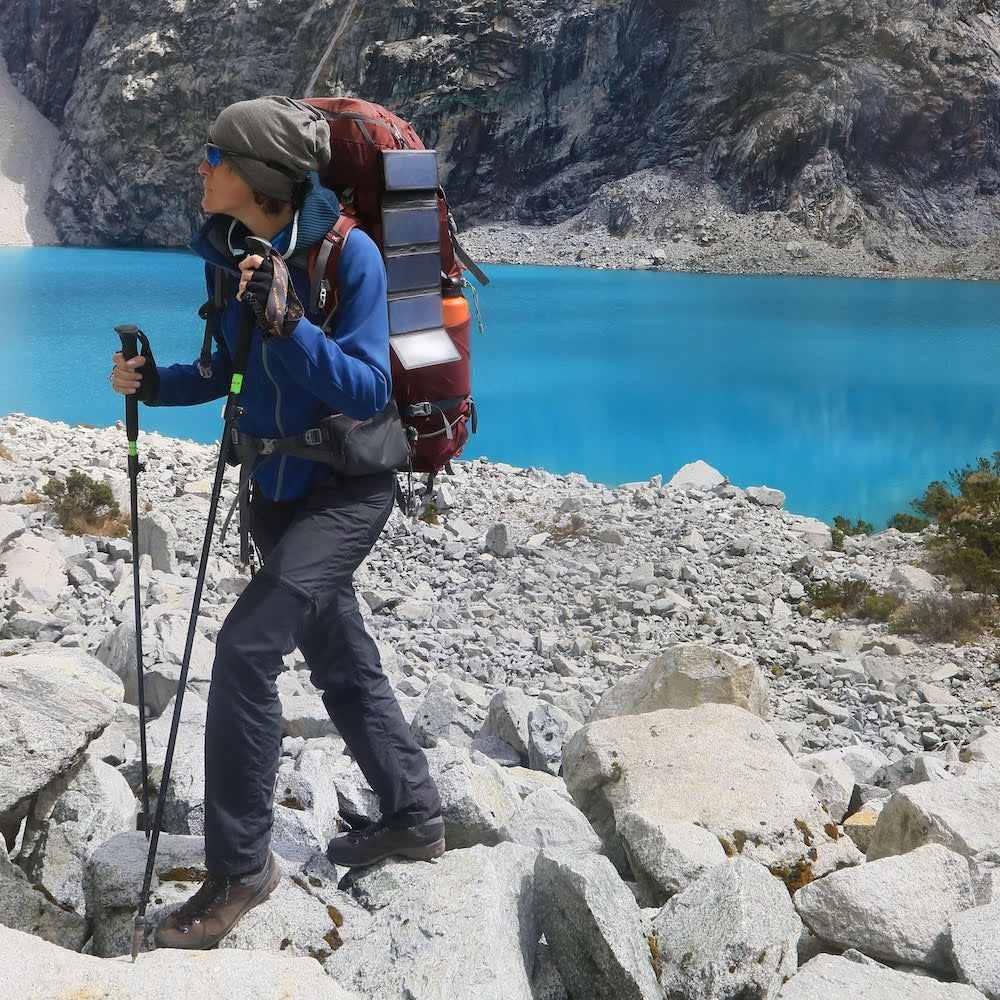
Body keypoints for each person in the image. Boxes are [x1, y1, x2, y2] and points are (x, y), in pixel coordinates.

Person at [110, 96, 444, 951]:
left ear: (256, 177)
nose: (202, 169)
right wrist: (154, 383)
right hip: (275, 489)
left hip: (346, 491)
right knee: (337, 654)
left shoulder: (350, 257)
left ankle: (239, 871)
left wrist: (291, 324)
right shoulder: (228, 255)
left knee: (247, 649)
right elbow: (225, 372)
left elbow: (370, 389)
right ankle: (413, 813)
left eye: (214, 156)